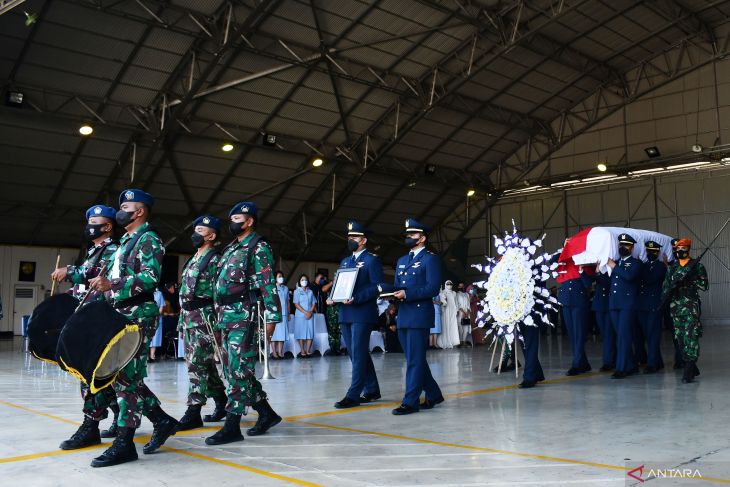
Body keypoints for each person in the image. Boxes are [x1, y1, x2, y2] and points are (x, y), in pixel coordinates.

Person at [87, 189, 179, 467]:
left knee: (126, 376)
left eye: (126, 206)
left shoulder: (148, 239)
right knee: (124, 376)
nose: (121, 210)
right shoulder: (127, 240)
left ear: (139, 211)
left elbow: (150, 279)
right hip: (122, 312)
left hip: (139, 312)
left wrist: (112, 285)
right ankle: (162, 421)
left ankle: (125, 442)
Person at [207, 201, 282, 445]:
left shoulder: (258, 247)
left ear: (249, 221)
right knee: (233, 370)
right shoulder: (231, 248)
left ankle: (232, 426)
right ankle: (267, 413)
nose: (233, 223)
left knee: (238, 370)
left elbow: (267, 284)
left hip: (245, 315)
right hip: (226, 315)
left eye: (238, 218)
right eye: (232, 218)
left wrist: (271, 318)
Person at [50, 204, 120, 449]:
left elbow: (92, 274)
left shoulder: (112, 250)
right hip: (88, 316)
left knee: (91, 374)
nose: (90, 226)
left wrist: (69, 271)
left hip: (98, 319)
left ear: (108, 226)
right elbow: (86, 283)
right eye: (89, 221)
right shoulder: (95, 250)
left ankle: (90, 427)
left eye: (95, 222)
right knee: (98, 376)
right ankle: (123, 418)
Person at [386, 218, 443, 415]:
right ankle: (434, 393)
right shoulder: (402, 260)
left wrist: (408, 294)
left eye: (413, 235)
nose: (409, 237)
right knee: (413, 358)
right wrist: (392, 300)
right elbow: (397, 286)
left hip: (419, 314)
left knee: (414, 360)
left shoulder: (430, 259)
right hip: (404, 314)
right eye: (408, 235)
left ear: (423, 238)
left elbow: (432, 288)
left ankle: (410, 401)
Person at [176, 215, 227, 431]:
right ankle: (222, 401)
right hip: (189, 318)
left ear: (212, 236)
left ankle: (193, 410)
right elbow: (185, 294)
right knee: (205, 365)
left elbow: (220, 294)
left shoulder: (216, 259)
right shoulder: (194, 258)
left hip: (205, 318)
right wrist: (181, 322)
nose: (195, 234)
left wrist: (217, 325)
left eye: (200, 230)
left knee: (195, 364)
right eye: (195, 229)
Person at [329, 220, 383, 409]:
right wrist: (333, 296)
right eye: (349, 237)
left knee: (359, 353)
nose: (351, 240)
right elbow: (340, 284)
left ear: (363, 240)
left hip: (361, 311)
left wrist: (357, 297)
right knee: (355, 354)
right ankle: (372, 389)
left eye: (355, 237)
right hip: (345, 311)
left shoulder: (371, 260)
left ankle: (353, 394)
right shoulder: (345, 261)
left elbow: (378, 286)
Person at [662, 238, 708, 383]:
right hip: (676, 309)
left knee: (691, 336)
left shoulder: (697, 266)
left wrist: (690, 279)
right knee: (680, 338)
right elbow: (665, 288)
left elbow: (705, 286)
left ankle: (688, 370)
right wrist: (668, 294)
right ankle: (692, 366)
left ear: (688, 250)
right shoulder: (672, 268)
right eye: (678, 249)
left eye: (683, 249)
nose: (680, 251)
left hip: (690, 308)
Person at [607, 233, 641, 379]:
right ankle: (632, 365)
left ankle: (621, 369)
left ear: (632, 248)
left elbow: (629, 276)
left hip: (628, 304)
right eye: (621, 245)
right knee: (621, 335)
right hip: (615, 303)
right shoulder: (615, 262)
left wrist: (613, 266)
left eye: (626, 245)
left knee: (623, 336)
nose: (623, 247)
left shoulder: (636, 263)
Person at [557, 255, 592, 376]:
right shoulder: (563, 262)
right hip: (566, 301)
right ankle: (584, 363)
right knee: (572, 335)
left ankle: (576, 364)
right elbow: (550, 262)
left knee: (579, 334)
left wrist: (582, 271)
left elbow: (588, 283)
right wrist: (562, 251)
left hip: (579, 301)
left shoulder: (584, 261)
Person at [637, 241, 666, 374]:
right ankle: (658, 361)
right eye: (648, 252)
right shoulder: (643, 265)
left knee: (653, 335)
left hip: (654, 305)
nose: (650, 254)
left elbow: (650, 279)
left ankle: (652, 364)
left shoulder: (660, 266)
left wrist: (640, 268)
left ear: (658, 253)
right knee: (647, 335)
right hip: (642, 305)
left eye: (653, 252)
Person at [590, 266, 615, 371]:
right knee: (605, 334)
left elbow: (608, 282)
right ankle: (613, 358)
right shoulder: (596, 267)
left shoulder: (613, 265)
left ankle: (608, 361)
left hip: (609, 303)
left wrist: (598, 273)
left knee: (608, 334)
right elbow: (588, 280)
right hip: (600, 304)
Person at [518, 315, 545, 389]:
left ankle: (529, 377)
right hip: (518, 313)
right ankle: (537, 372)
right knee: (524, 345)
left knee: (530, 343)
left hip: (532, 312)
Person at [293, 274, 316, 357]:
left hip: (310, 315)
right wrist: (305, 312)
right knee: (301, 333)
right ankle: (302, 350)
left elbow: (313, 303)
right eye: (302, 280)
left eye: (305, 279)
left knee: (310, 333)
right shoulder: (297, 291)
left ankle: (308, 350)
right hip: (300, 315)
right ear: (299, 281)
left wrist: (310, 312)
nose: (304, 281)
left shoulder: (310, 291)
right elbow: (296, 304)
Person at [272, 271, 291, 359]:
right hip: (276, 313)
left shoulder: (286, 288)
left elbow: (288, 301)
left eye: (282, 276)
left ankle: (280, 352)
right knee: (275, 334)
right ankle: (274, 352)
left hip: (284, 313)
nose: (281, 278)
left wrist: (289, 313)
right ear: (275, 278)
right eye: (279, 276)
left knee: (282, 334)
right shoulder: (273, 288)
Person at [437, 280, 459, 349]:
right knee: (446, 326)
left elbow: (456, 302)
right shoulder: (442, 292)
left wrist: (457, 310)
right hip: (446, 311)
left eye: (450, 284)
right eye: (448, 284)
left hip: (453, 311)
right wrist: (444, 301)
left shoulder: (454, 293)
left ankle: (453, 341)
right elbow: (442, 302)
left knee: (452, 326)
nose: (449, 285)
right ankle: (445, 342)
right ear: (445, 284)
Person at [149, 287, 165, 362]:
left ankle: (152, 355)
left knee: (155, 337)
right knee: (147, 336)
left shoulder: (159, 293)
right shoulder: (146, 291)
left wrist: (157, 315)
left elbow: (161, 305)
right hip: (147, 317)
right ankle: (146, 356)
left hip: (157, 318)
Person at [456, 282, 471, 347]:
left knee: (466, 329)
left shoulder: (466, 294)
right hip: (461, 313)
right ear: (458, 287)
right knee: (460, 328)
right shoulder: (456, 295)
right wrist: (463, 312)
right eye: (460, 286)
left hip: (467, 313)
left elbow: (468, 304)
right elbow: (457, 304)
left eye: (462, 286)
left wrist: (467, 312)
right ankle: (460, 342)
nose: (461, 287)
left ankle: (464, 342)